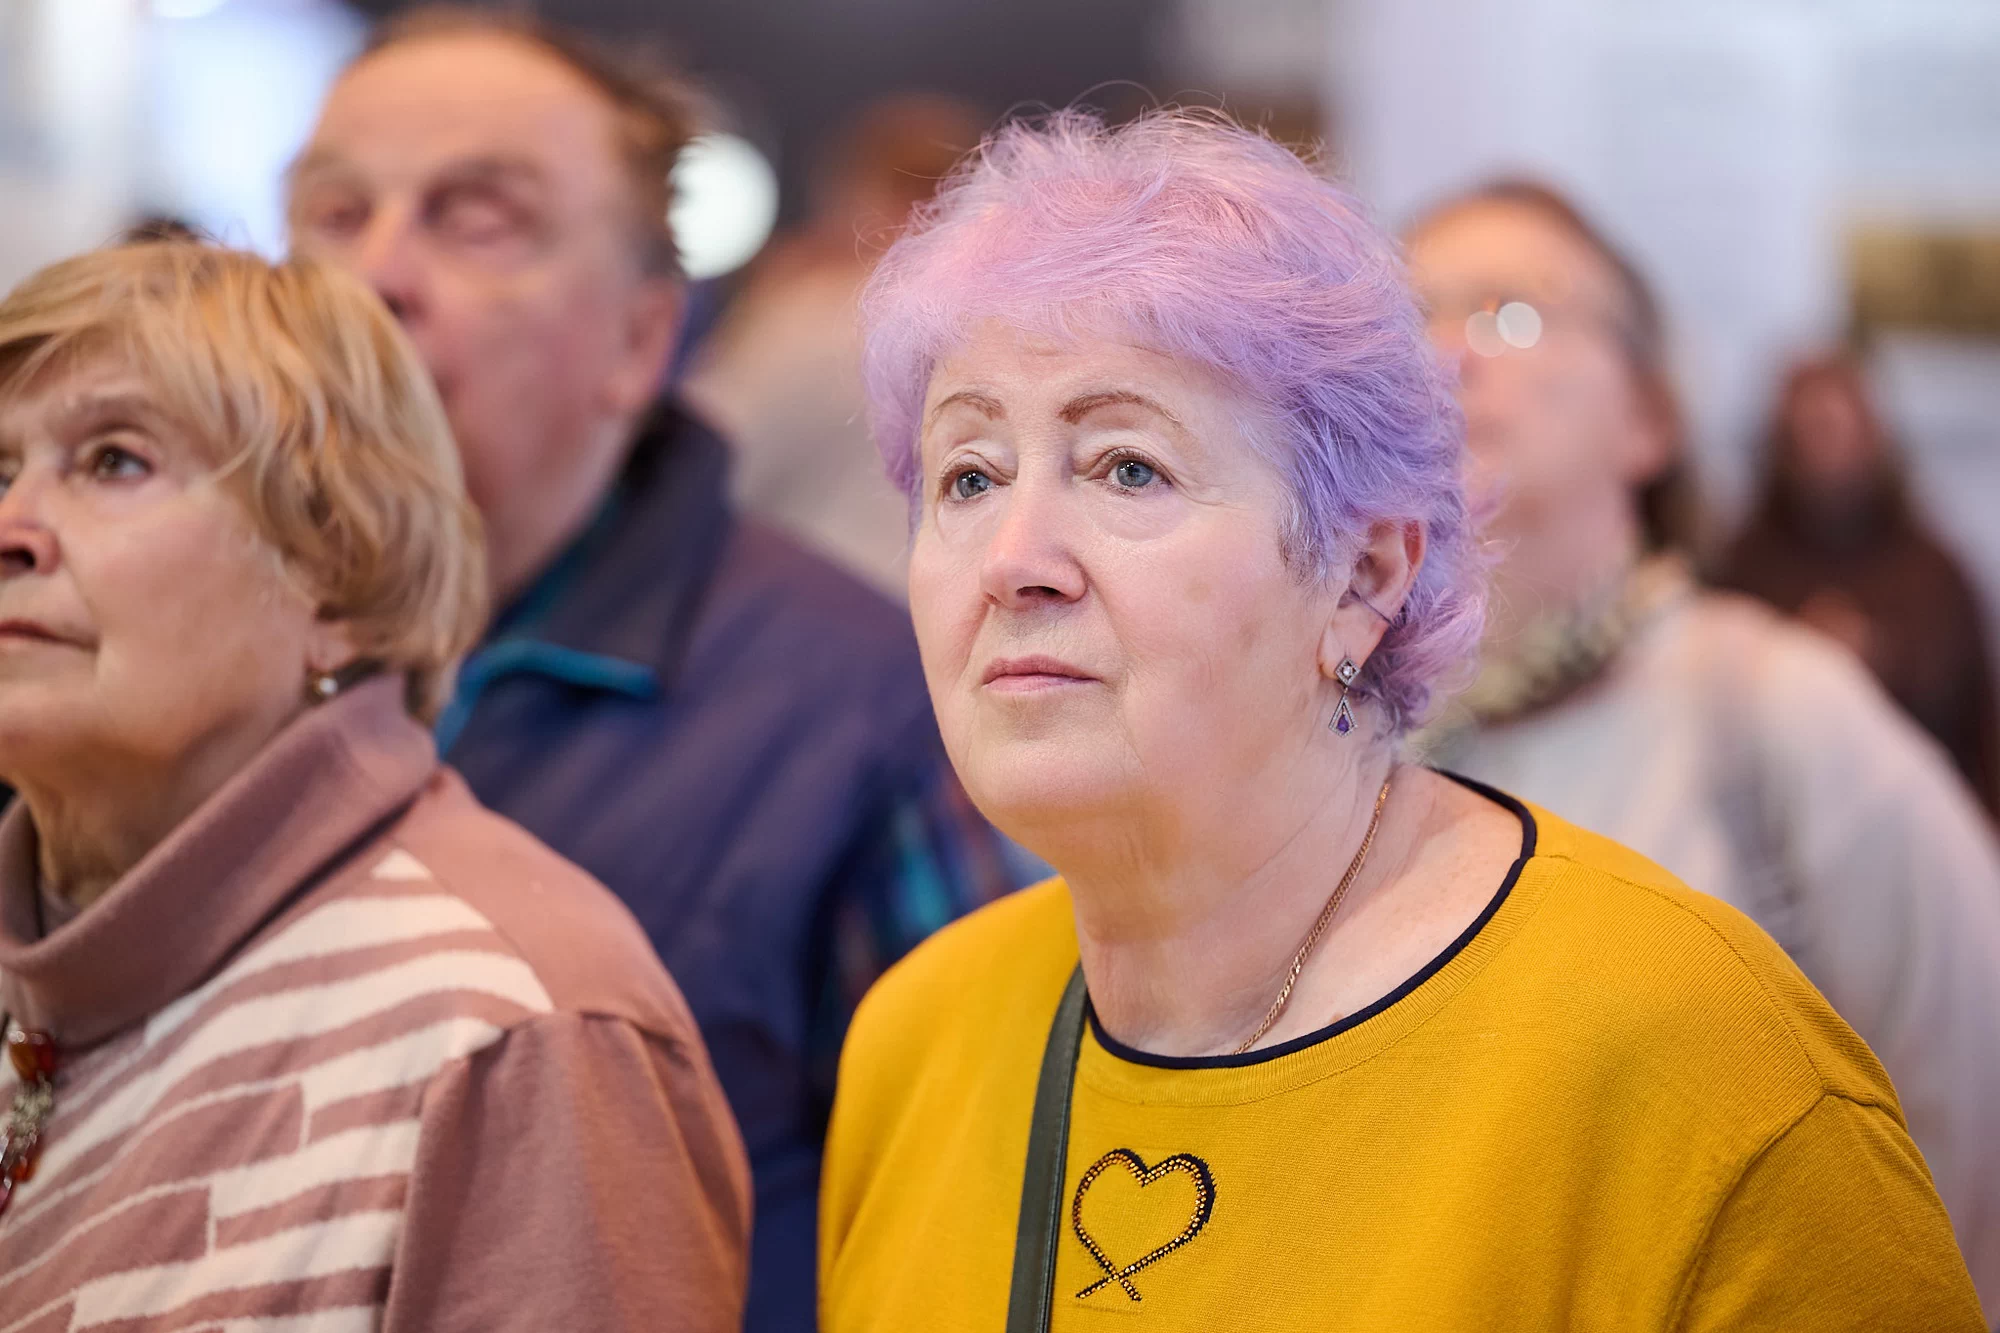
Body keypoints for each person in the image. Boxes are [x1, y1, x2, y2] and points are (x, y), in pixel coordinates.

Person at [818, 111, 1983, 1331]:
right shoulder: (914, 1039)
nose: (1012, 560)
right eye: (968, 475)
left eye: (1126, 468)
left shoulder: (1689, 1062)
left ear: (1363, 577)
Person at [285, 11, 1020, 1324]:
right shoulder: (173, 667)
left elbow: (988, 1202)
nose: (374, 276)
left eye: (477, 221)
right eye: (335, 214)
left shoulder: (864, 714)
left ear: (640, 337)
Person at [0, 242, 749, 1328]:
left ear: (340, 580)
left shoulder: (511, 1028)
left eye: (114, 461)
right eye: (0, 471)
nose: (13, 531)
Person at [1404, 179, 2000, 1320]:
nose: (1447, 352)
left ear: (1649, 416)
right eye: (1408, 314)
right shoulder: (1336, 738)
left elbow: (1973, 1094)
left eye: (1508, 311)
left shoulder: (1769, 707)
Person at [684, 93, 985, 600]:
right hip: (960, 606)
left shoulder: (821, 316)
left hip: (823, 604)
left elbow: (701, 456)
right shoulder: (1008, 329)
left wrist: (763, 308)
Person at [1718, 352, 2000, 817]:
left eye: (1835, 430)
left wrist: (1881, 656)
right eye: (1809, 433)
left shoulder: (1932, 570)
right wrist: (1796, 653)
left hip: (1918, 813)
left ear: (1870, 437)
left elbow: (1974, 714)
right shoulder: (1743, 566)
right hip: (1781, 815)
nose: (1825, 451)